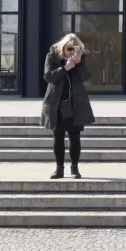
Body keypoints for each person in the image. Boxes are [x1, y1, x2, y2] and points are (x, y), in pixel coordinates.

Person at [40, 33, 95, 178]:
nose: (72, 52)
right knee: (58, 137)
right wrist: (65, 68)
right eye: (69, 49)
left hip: (75, 103)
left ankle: (74, 168)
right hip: (57, 103)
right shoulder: (52, 56)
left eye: (76, 49)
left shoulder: (80, 58)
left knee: (74, 136)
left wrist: (79, 64)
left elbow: (85, 77)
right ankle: (59, 168)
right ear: (63, 47)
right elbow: (48, 76)